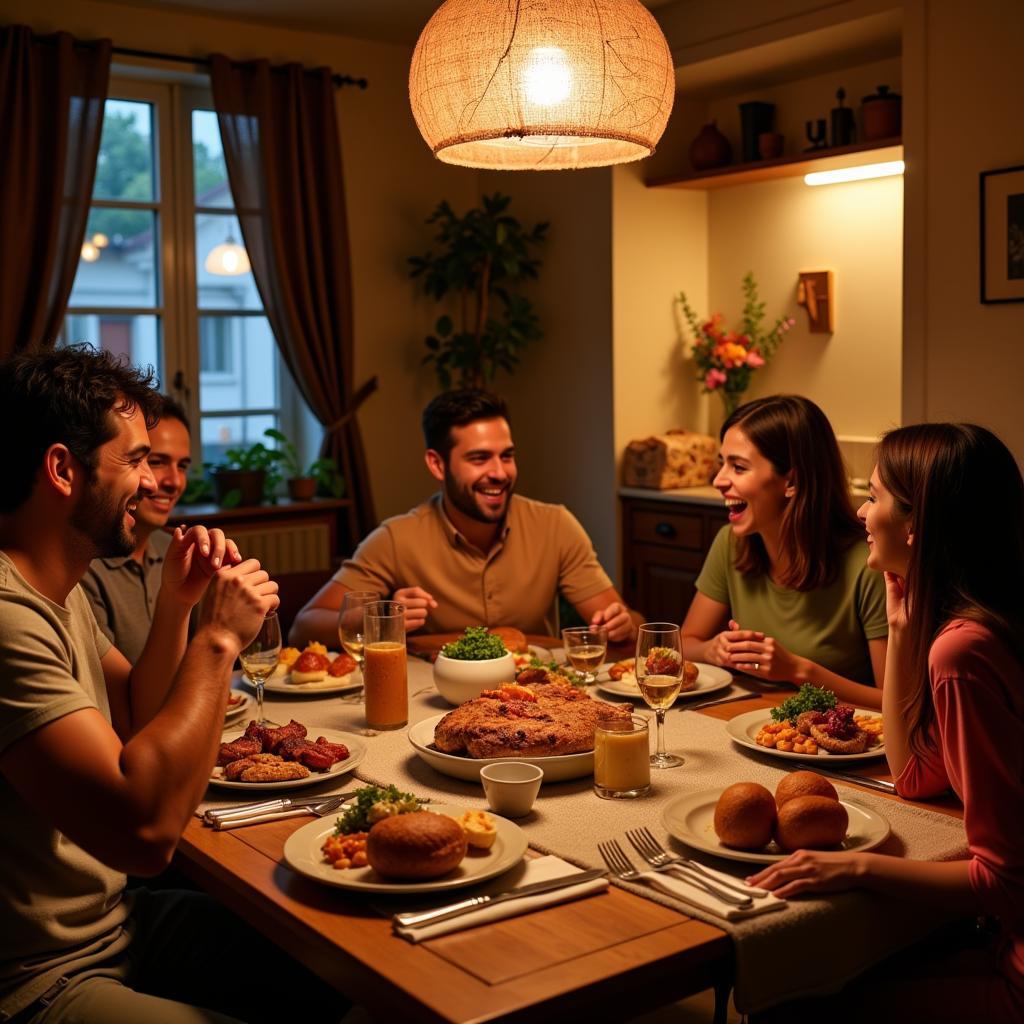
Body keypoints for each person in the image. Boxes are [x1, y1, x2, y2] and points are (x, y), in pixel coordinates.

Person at [0, 346, 343, 1023]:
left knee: (338, 967)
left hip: (119, 922)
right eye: (133, 460)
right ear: (62, 469)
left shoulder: (55, 589)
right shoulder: (8, 619)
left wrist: (178, 606)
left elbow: (136, 715)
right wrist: (217, 642)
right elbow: (147, 834)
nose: (154, 481)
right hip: (39, 978)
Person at [748, 423, 1024, 1022]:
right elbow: (915, 778)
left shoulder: (963, 653)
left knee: (789, 998)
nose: (859, 510)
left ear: (915, 525)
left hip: (1016, 971)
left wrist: (853, 864)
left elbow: (1004, 878)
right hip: (1000, 941)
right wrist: (899, 632)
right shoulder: (979, 625)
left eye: (873, 495)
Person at [291, 388, 640, 645]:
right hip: (430, 701)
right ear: (437, 464)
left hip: (538, 699)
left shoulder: (556, 525)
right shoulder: (397, 538)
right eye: (479, 458)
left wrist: (620, 624)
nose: (499, 473)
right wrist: (382, 617)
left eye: (506, 456)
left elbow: (629, 624)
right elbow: (304, 626)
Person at [681, 395, 887, 708]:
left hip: (838, 744)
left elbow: (896, 704)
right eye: (721, 463)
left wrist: (797, 670)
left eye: (738, 467)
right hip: (745, 721)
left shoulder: (868, 564)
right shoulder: (730, 543)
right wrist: (713, 649)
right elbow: (684, 644)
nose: (718, 480)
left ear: (791, 481)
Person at [80, 394, 193, 664]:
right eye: (155, 461)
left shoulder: (174, 551)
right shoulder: (81, 568)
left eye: (183, 466)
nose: (173, 482)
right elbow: (121, 699)